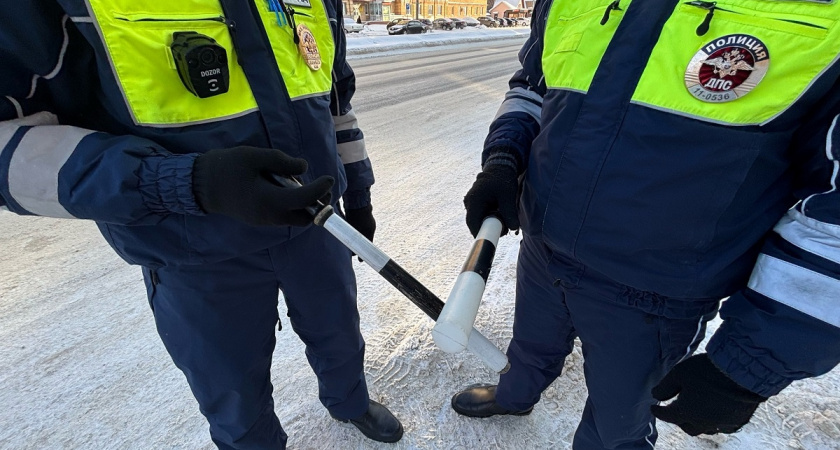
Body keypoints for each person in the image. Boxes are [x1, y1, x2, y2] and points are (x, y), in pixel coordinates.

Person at [0, 1, 402, 448]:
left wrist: (359, 195)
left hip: (318, 225)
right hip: (193, 244)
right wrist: (179, 182)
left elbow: (336, 103)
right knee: (230, 382)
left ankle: (349, 402)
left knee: (339, 332)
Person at [451, 0, 840, 448]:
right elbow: (533, 86)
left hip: (655, 289)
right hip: (544, 245)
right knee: (530, 347)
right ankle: (515, 394)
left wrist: (751, 362)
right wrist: (504, 158)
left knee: (618, 422)